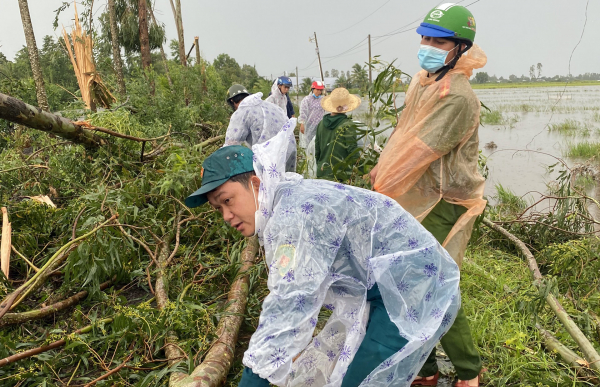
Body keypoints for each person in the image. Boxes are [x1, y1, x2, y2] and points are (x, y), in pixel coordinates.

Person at [184, 126, 461, 387]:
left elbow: (289, 305)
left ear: (256, 184)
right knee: (341, 369)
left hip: (414, 286)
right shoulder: (286, 199)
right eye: (218, 208)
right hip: (385, 284)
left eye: (228, 200)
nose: (226, 215)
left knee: (362, 378)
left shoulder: (293, 217)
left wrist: (253, 378)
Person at [369, 4, 487, 386]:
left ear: (459, 48)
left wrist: (380, 187)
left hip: (444, 199)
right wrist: (380, 173)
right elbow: (402, 135)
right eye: (425, 37)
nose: (427, 45)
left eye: (438, 40)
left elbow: (418, 150)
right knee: (407, 281)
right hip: (418, 195)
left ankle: (469, 370)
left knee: (431, 283)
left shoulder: (457, 96)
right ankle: (426, 368)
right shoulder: (424, 81)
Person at [224, 84, 296, 171]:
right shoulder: (269, 105)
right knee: (285, 182)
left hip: (268, 159)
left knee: (266, 183)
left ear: (232, 101)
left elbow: (231, 145)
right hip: (289, 152)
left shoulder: (241, 112)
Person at [315, 88, 361, 181]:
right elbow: (352, 152)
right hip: (340, 175)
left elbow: (317, 152)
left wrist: (321, 168)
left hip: (322, 172)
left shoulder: (321, 124)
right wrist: (362, 170)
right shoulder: (348, 125)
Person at [298, 80, 327, 178]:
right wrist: (302, 123)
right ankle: (309, 168)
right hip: (309, 126)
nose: (319, 92)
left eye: (320, 90)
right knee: (309, 147)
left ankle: (318, 167)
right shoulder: (307, 100)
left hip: (320, 126)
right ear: (313, 89)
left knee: (319, 146)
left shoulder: (323, 100)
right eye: (317, 90)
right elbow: (303, 112)